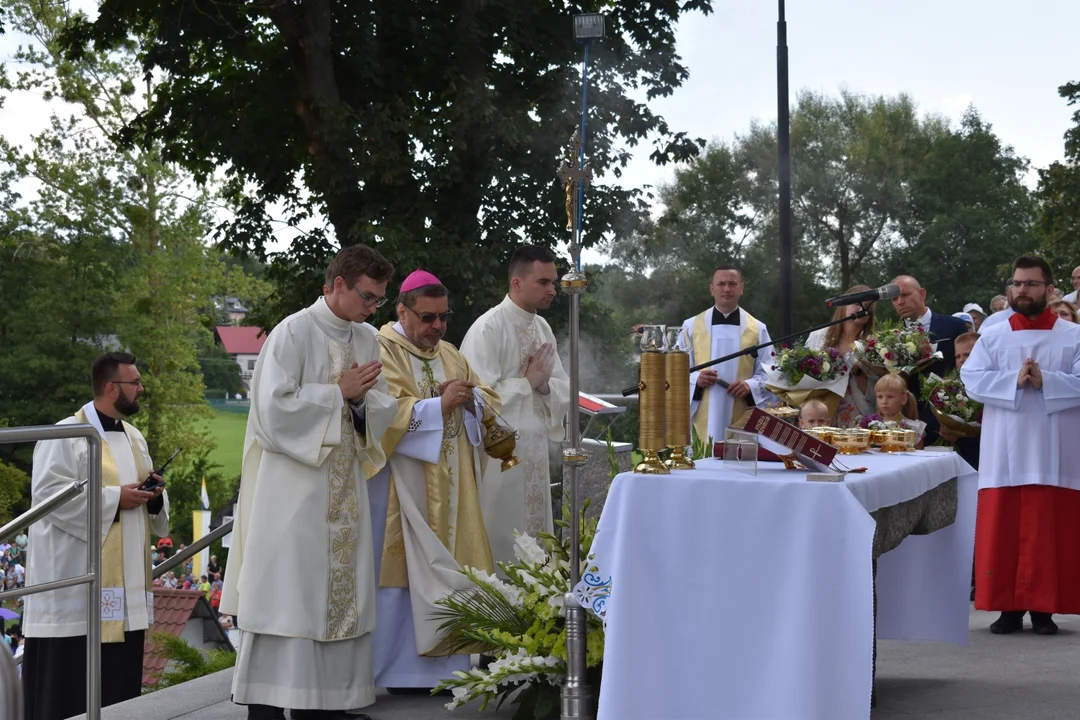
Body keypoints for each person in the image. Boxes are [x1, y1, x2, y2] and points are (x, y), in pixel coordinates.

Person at [222, 244, 398, 720]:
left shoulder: (366, 339)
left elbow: (381, 405)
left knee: (339, 594)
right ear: (338, 284)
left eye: (379, 299)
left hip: (343, 491)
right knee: (289, 594)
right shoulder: (292, 333)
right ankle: (268, 704)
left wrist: (360, 405)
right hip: (295, 492)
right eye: (367, 296)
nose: (372, 307)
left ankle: (328, 705)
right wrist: (336, 394)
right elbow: (271, 412)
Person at [367, 269, 499, 692]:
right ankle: (396, 670)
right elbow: (380, 414)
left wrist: (473, 400)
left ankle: (448, 670)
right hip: (403, 488)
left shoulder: (452, 354)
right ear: (402, 311)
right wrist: (437, 404)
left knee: (453, 563)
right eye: (427, 318)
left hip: (455, 484)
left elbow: (486, 397)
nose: (437, 327)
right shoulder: (382, 348)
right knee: (404, 571)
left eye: (444, 317)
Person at [22, 352, 169, 720]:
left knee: (121, 695)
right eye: (134, 383)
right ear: (110, 387)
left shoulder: (135, 438)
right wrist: (115, 498)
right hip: (76, 597)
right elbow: (48, 500)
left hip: (128, 593)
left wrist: (153, 498)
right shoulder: (65, 435)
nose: (141, 388)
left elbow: (152, 516)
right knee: (73, 694)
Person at [961, 255, 1080, 636]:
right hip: (1004, 447)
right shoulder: (993, 336)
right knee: (1005, 525)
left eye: (1030, 283)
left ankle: (1045, 609)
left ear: (1049, 288)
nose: (1022, 290)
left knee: (1050, 526)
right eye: (1016, 284)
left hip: (1055, 446)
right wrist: (1014, 379)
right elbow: (971, 379)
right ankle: (1008, 608)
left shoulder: (1073, 335)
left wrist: (1049, 381)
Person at [460, 246, 570, 568]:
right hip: (499, 458)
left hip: (535, 452)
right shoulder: (488, 328)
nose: (553, 290)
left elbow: (561, 384)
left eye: (554, 282)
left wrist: (545, 385)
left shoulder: (542, 328)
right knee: (501, 533)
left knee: (537, 538)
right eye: (544, 282)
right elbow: (476, 398)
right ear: (517, 283)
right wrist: (528, 383)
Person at [678, 265, 773, 443]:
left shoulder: (758, 329)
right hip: (702, 411)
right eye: (721, 284)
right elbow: (677, 370)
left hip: (742, 411)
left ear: (741, 288)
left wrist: (750, 386)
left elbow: (771, 373)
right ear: (712, 289)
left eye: (732, 283)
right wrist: (696, 379)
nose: (727, 289)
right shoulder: (690, 326)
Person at [890, 275, 968, 443]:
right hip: (907, 422)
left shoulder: (954, 325)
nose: (900, 302)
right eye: (895, 299)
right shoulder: (888, 339)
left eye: (905, 295)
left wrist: (955, 419)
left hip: (948, 421)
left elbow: (967, 370)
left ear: (922, 294)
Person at [804, 285, 878, 426]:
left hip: (857, 417)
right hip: (820, 415)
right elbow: (803, 377)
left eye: (868, 306)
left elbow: (878, 394)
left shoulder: (873, 344)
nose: (862, 309)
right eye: (857, 303)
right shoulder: (819, 336)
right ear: (843, 306)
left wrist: (859, 373)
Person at [873, 374, 926, 447]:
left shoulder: (914, 428)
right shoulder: (870, 426)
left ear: (904, 399)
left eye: (890, 397)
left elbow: (920, 456)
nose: (884, 401)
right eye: (880, 397)